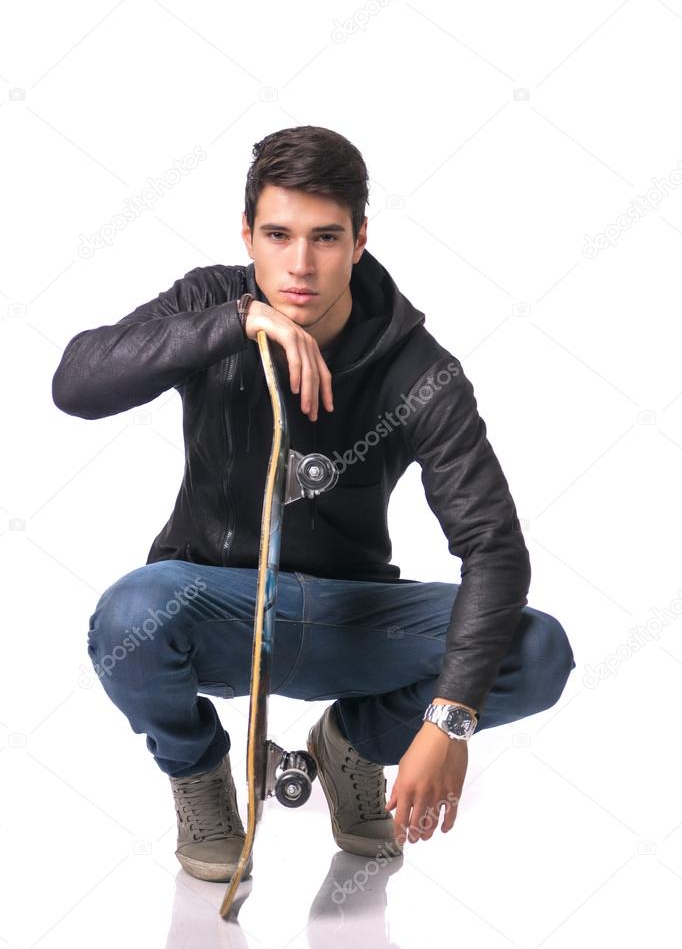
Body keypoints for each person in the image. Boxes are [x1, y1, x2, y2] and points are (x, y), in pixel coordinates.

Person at [51, 125, 576, 883]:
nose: (299, 264)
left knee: (537, 650)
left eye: (326, 237)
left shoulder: (418, 368)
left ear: (360, 239)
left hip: (350, 617)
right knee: (129, 614)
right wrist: (233, 322)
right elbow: (75, 382)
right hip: (216, 606)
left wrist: (450, 715)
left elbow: (493, 547)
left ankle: (352, 745)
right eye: (279, 235)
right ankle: (200, 772)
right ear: (248, 235)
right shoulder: (211, 301)